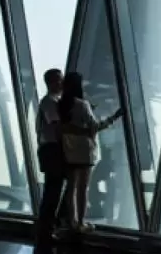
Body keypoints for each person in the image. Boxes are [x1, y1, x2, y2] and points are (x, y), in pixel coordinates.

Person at [58, 72, 122, 232]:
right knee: (82, 188)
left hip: (68, 150)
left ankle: (71, 221)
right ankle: (80, 222)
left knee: (71, 188)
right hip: (84, 151)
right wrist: (113, 118)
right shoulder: (82, 104)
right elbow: (95, 127)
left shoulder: (60, 104)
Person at [35, 69, 68, 231]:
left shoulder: (53, 101)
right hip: (52, 149)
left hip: (52, 149)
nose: (61, 83)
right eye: (58, 80)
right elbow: (56, 126)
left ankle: (49, 224)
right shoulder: (49, 102)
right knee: (53, 190)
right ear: (50, 83)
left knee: (54, 188)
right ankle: (47, 225)